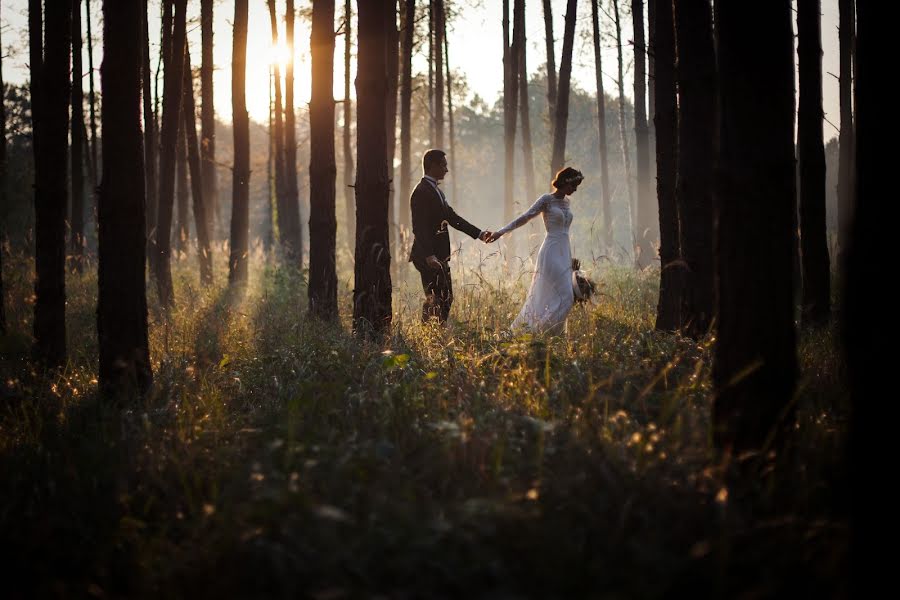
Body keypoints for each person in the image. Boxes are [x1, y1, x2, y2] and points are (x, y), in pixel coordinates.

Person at [487, 167, 584, 335]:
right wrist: (500, 232)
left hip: (564, 252)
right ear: (564, 182)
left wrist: (571, 259)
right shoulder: (547, 200)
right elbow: (525, 217)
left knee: (557, 296)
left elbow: (565, 230)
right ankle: (541, 331)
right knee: (567, 296)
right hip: (551, 251)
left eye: (576, 186)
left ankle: (551, 335)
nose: (574, 190)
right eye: (573, 185)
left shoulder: (567, 203)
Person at [408, 149, 492, 323]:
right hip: (427, 256)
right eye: (443, 165)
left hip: (438, 255)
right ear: (432, 166)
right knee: (436, 298)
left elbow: (452, 218)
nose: (446, 169)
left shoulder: (436, 191)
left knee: (445, 298)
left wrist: (480, 234)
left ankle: (435, 331)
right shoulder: (421, 191)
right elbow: (419, 227)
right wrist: (429, 255)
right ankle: (429, 333)